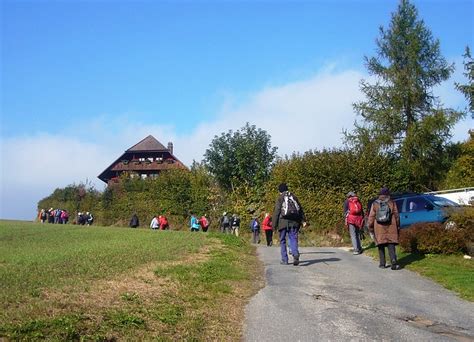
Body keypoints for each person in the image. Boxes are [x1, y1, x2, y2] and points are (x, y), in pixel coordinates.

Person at [272, 183, 306, 266]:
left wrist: (274, 226)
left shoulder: (280, 198)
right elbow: (300, 209)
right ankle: (295, 254)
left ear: (279, 190)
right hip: (294, 222)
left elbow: (276, 212)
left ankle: (285, 260)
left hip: (282, 222)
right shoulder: (293, 197)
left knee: (283, 241)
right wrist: (303, 220)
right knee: (293, 238)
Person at [368, 187, 401, 270]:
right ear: (388, 194)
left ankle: (382, 264)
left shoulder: (375, 203)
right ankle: (393, 261)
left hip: (379, 227)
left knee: (380, 245)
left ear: (380, 194)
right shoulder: (392, 202)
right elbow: (397, 215)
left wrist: (370, 227)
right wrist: (397, 225)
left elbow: (371, 216)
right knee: (391, 244)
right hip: (391, 226)